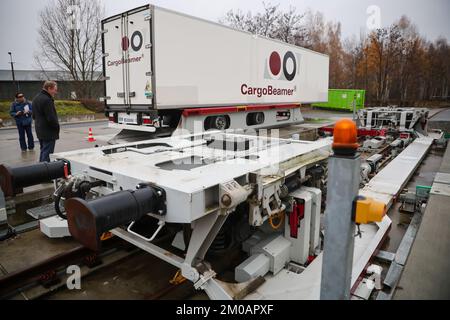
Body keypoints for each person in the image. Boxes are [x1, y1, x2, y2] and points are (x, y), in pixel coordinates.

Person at [32, 81, 60, 162]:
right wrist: (56, 126)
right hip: (48, 131)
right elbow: (51, 118)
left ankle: (40, 169)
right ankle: (45, 171)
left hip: (40, 129)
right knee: (47, 153)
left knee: (43, 151)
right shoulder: (47, 100)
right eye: (55, 89)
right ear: (49, 88)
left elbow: (33, 115)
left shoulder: (36, 98)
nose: (55, 91)